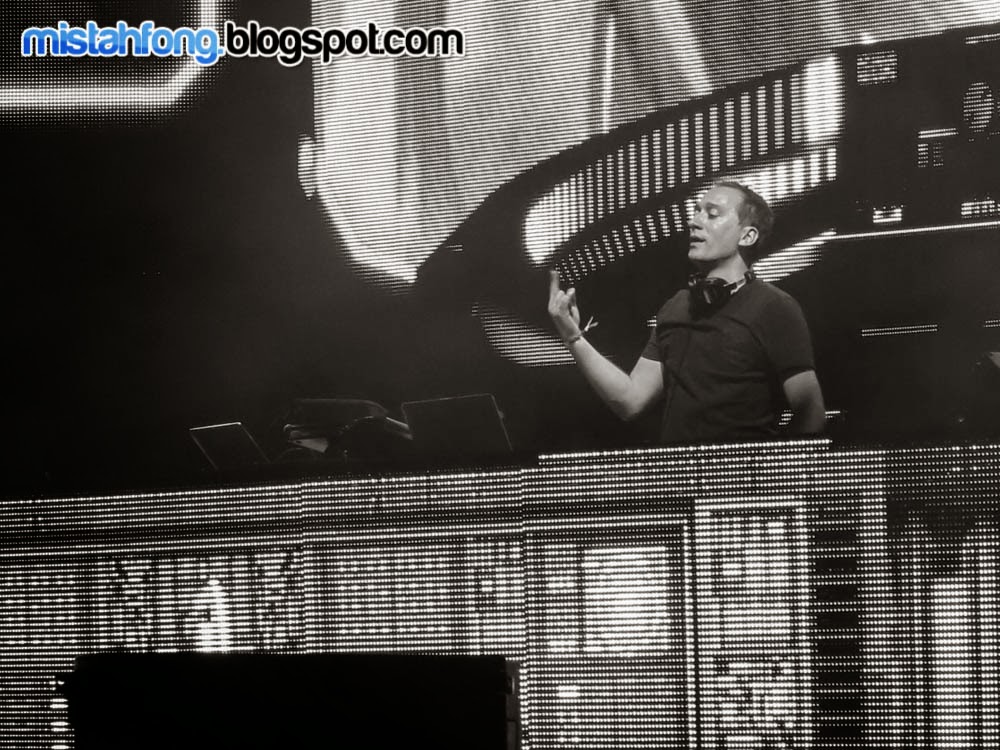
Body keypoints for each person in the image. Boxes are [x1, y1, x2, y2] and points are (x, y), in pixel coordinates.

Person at [547, 181, 825, 443]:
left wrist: (774, 471)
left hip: (746, 477)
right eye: (697, 212)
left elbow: (810, 410)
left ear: (747, 235)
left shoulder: (774, 307)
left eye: (712, 214)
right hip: (679, 473)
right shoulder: (677, 306)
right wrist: (574, 338)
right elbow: (630, 400)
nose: (694, 221)